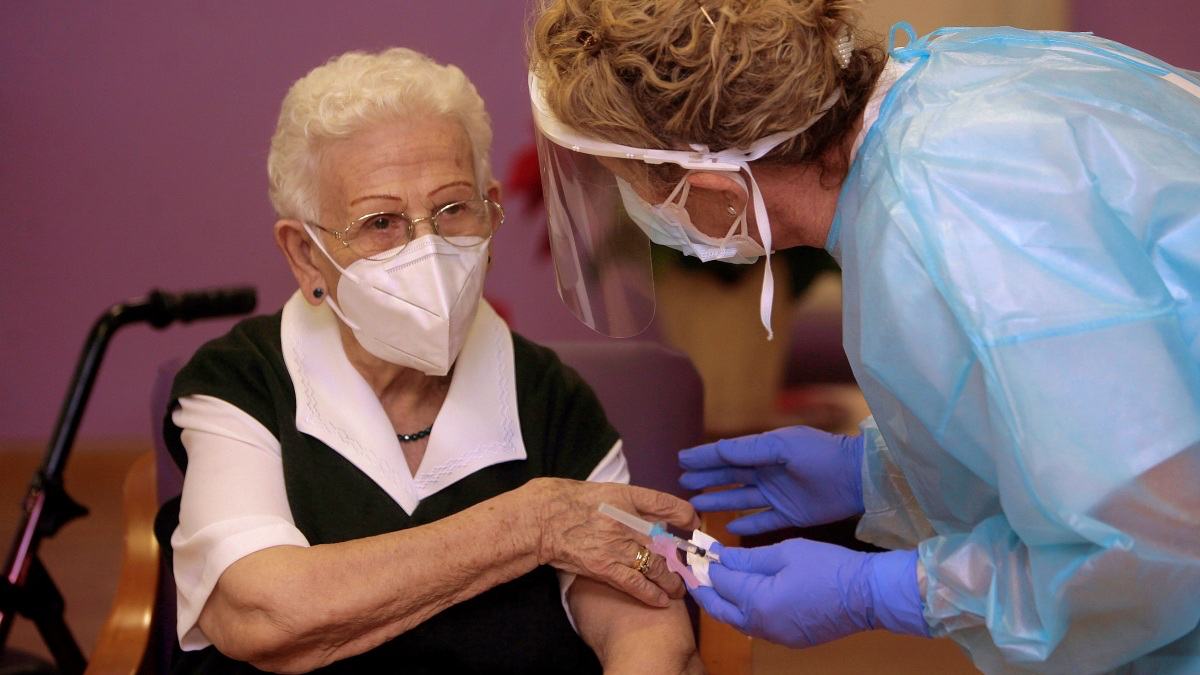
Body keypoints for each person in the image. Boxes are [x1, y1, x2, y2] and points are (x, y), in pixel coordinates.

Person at [526, 0, 1200, 672]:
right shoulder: (936, 94)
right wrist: (880, 474)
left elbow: (1152, 539)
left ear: (716, 188)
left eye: (633, 186)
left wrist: (891, 591)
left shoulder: (942, 219)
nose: (639, 211)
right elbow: (1092, 413)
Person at [157, 47, 704, 674]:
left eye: (452, 209)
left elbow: (642, 616)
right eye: (380, 222)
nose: (428, 248)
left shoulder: (549, 396)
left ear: (489, 210)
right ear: (306, 255)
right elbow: (264, 614)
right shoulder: (242, 382)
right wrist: (528, 526)